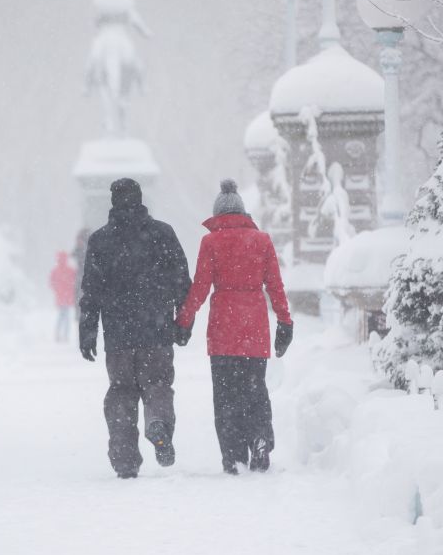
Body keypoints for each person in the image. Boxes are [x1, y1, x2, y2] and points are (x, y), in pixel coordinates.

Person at [175, 179, 293, 475]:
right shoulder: (262, 241)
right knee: (255, 390)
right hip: (254, 326)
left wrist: (184, 320)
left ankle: (233, 455)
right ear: (244, 213)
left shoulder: (210, 242)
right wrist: (284, 321)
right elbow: (275, 286)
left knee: (226, 394)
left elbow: (200, 287)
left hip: (223, 328)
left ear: (217, 216)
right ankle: (260, 437)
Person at [79, 178, 191, 479]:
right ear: (141, 200)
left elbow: (91, 291)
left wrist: (88, 330)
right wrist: (183, 322)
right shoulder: (162, 234)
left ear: (113, 202)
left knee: (121, 393)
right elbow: (182, 282)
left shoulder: (100, 241)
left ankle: (125, 459)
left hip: (118, 336)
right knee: (157, 385)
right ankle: (158, 424)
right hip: (156, 330)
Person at [49, 251, 77, 342]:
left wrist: (57, 290)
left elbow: (51, 283)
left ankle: (59, 335)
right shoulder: (70, 270)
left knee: (62, 316)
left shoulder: (55, 271)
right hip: (67, 297)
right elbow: (75, 282)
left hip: (62, 297)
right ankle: (64, 336)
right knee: (65, 316)